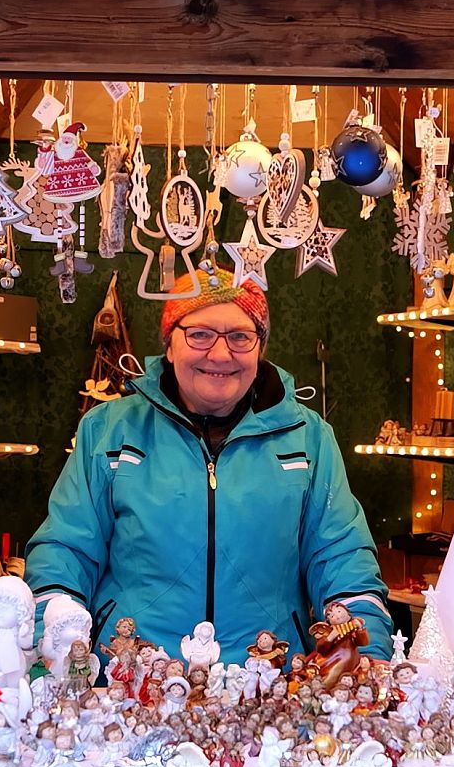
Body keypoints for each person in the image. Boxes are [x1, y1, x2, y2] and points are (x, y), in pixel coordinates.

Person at [26, 268, 391, 666]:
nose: (220, 355)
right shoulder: (107, 430)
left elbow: (341, 554)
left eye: (240, 336)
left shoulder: (309, 437)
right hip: (131, 677)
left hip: (267, 681)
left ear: (260, 347)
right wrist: (56, 629)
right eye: (199, 334)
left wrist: (365, 650)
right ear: (169, 343)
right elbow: (66, 547)